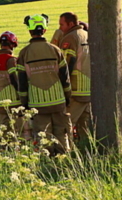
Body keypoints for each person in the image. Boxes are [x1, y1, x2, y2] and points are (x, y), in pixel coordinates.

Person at [17, 13, 72, 155]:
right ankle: (64, 161)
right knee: (61, 133)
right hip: (58, 101)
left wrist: (24, 104)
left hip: (38, 104)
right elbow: (64, 77)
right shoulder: (55, 50)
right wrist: (67, 98)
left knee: (43, 136)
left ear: (29, 30)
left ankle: (47, 164)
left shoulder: (24, 53)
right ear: (45, 30)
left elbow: (22, 83)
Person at [57, 12, 92, 141]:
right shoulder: (86, 35)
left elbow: (66, 64)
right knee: (85, 128)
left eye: (62, 24)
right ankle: (86, 151)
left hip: (75, 89)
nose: (60, 28)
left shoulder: (70, 38)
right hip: (88, 88)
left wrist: (62, 84)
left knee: (66, 125)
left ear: (71, 24)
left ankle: (66, 153)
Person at [0, 31, 26, 137]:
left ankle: (5, 150)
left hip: (0, 103)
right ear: (12, 44)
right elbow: (14, 78)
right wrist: (21, 94)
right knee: (20, 131)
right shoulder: (11, 60)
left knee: (5, 133)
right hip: (15, 102)